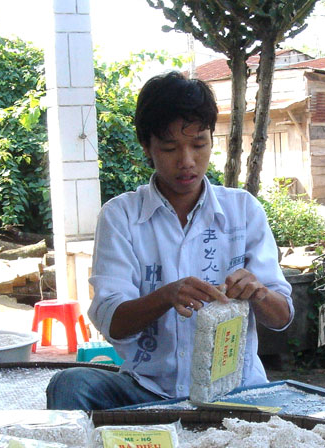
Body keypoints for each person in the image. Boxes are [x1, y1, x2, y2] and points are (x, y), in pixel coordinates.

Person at [46, 71, 293, 410]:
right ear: (147, 147)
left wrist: (259, 292)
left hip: (236, 391)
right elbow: (112, 322)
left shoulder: (243, 210)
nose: (187, 161)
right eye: (169, 147)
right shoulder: (121, 216)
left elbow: (282, 316)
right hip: (147, 391)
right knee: (70, 384)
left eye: (199, 144)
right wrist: (165, 296)